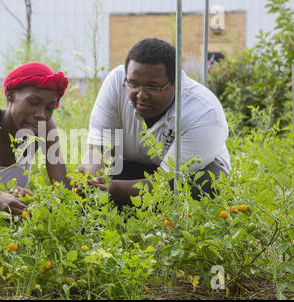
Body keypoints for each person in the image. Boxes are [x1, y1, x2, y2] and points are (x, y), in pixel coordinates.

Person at [76, 38, 231, 206]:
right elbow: (100, 151)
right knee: (91, 194)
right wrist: (91, 182)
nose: (141, 95)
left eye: (153, 87)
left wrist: (111, 188)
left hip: (193, 174)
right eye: (133, 85)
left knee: (195, 191)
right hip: (132, 165)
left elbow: (167, 183)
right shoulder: (116, 82)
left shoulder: (203, 112)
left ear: (176, 83)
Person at [0, 62, 70, 215]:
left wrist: (36, 202)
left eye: (49, 107)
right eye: (33, 103)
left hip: (6, 232)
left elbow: (63, 190)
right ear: (10, 96)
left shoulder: (44, 127)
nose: (42, 114)